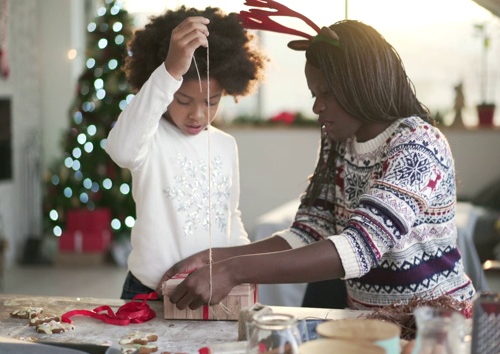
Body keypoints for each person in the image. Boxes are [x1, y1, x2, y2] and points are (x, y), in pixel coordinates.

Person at [161, 18, 475, 311]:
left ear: (362, 84)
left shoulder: (418, 145)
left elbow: (359, 247)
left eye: (327, 92)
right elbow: (310, 232)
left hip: (437, 326)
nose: (316, 106)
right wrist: (214, 258)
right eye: (314, 93)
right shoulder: (340, 144)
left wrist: (233, 271)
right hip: (370, 325)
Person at [105, 6, 267, 300]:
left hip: (211, 292)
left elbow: (230, 216)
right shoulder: (148, 137)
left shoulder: (225, 145)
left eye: (211, 102)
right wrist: (170, 70)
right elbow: (120, 150)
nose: (197, 114)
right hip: (148, 293)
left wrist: (242, 272)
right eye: (182, 100)